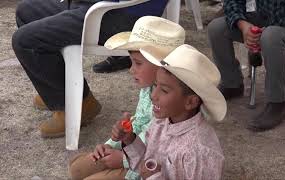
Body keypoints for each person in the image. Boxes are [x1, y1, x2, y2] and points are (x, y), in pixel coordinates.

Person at [11, 0, 169, 138]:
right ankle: (58, 91)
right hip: (94, 4)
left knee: (24, 41)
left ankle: (77, 105)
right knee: (26, 10)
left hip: (123, 11)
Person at [68, 16, 186, 180]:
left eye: (138, 63)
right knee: (76, 169)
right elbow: (139, 123)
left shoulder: (173, 104)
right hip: (131, 149)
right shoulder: (148, 89)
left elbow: (160, 149)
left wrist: (124, 159)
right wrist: (111, 144)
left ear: (161, 65)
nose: (131, 70)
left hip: (146, 168)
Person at [112, 44, 227, 179]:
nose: (153, 95)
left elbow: (150, 174)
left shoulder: (200, 152)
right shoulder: (161, 122)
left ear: (190, 102)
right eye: (156, 85)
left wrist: (154, 178)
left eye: (164, 90)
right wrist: (129, 139)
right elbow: (146, 165)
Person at [207, 0, 285, 131]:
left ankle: (278, 102)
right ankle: (231, 84)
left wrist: (256, 34)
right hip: (258, 18)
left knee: (271, 37)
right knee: (216, 28)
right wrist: (243, 25)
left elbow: (284, 16)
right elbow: (231, 2)